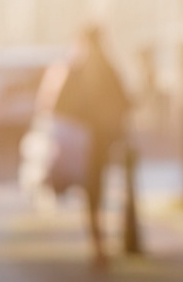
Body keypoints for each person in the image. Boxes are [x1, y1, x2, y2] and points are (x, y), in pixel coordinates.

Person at [48, 25, 131, 268]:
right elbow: (126, 103)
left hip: (89, 142)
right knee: (97, 192)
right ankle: (100, 245)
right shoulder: (105, 70)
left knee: (93, 193)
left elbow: (59, 107)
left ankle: (99, 245)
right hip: (98, 141)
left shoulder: (79, 70)